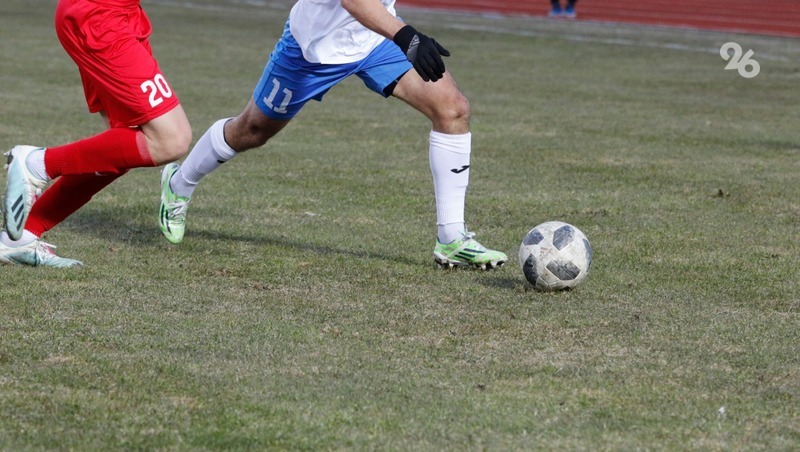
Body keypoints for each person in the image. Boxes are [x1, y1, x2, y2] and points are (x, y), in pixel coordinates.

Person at [159, 0, 507, 270]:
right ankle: (179, 183)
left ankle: (452, 238)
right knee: (252, 130)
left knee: (452, 110)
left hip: (374, 40)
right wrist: (408, 37)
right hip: (314, 48)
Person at [0, 0, 191, 268]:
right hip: (101, 16)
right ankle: (36, 163)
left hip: (116, 15)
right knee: (172, 140)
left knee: (123, 144)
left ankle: (19, 239)